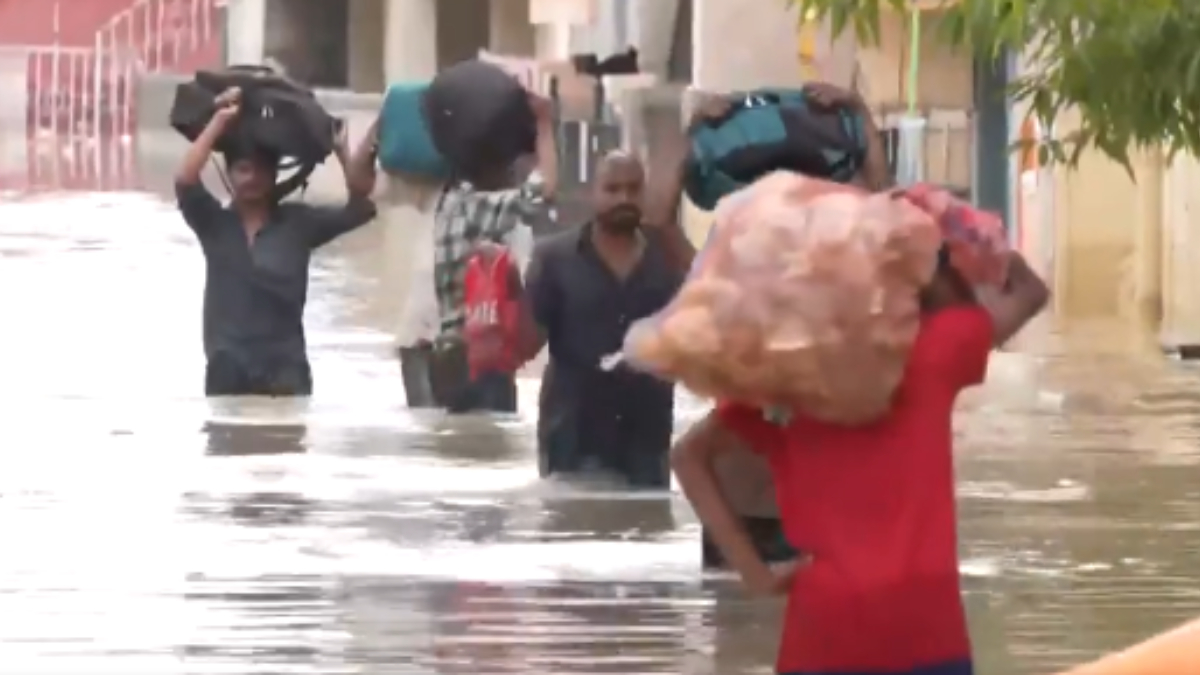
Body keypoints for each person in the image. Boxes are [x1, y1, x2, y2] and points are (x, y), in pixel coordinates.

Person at [670, 248, 1050, 675]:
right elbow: (1029, 292)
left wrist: (754, 573)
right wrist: (958, 238)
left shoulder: (785, 385)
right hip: (928, 629)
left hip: (823, 633)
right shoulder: (931, 354)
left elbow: (688, 457)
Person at [700, 81, 894, 569]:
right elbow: (658, 216)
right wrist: (691, 127)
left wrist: (858, 109)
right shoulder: (725, 273)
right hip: (744, 510)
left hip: (809, 510)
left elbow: (883, 209)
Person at [175, 87, 379, 396]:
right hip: (227, 368)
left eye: (261, 170)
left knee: (285, 426)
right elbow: (185, 180)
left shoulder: (298, 223)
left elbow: (361, 208)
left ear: (273, 176)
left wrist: (340, 150)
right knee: (224, 425)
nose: (252, 178)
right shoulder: (214, 223)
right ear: (229, 174)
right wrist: (219, 122)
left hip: (285, 370)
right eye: (243, 169)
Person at [429, 93, 557, 412]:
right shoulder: (474, 207)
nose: (514, 170)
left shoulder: (449, 203)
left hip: (450, 359)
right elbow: (546, 188)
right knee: (491, 437)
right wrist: (544, 123)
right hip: (479, 362)